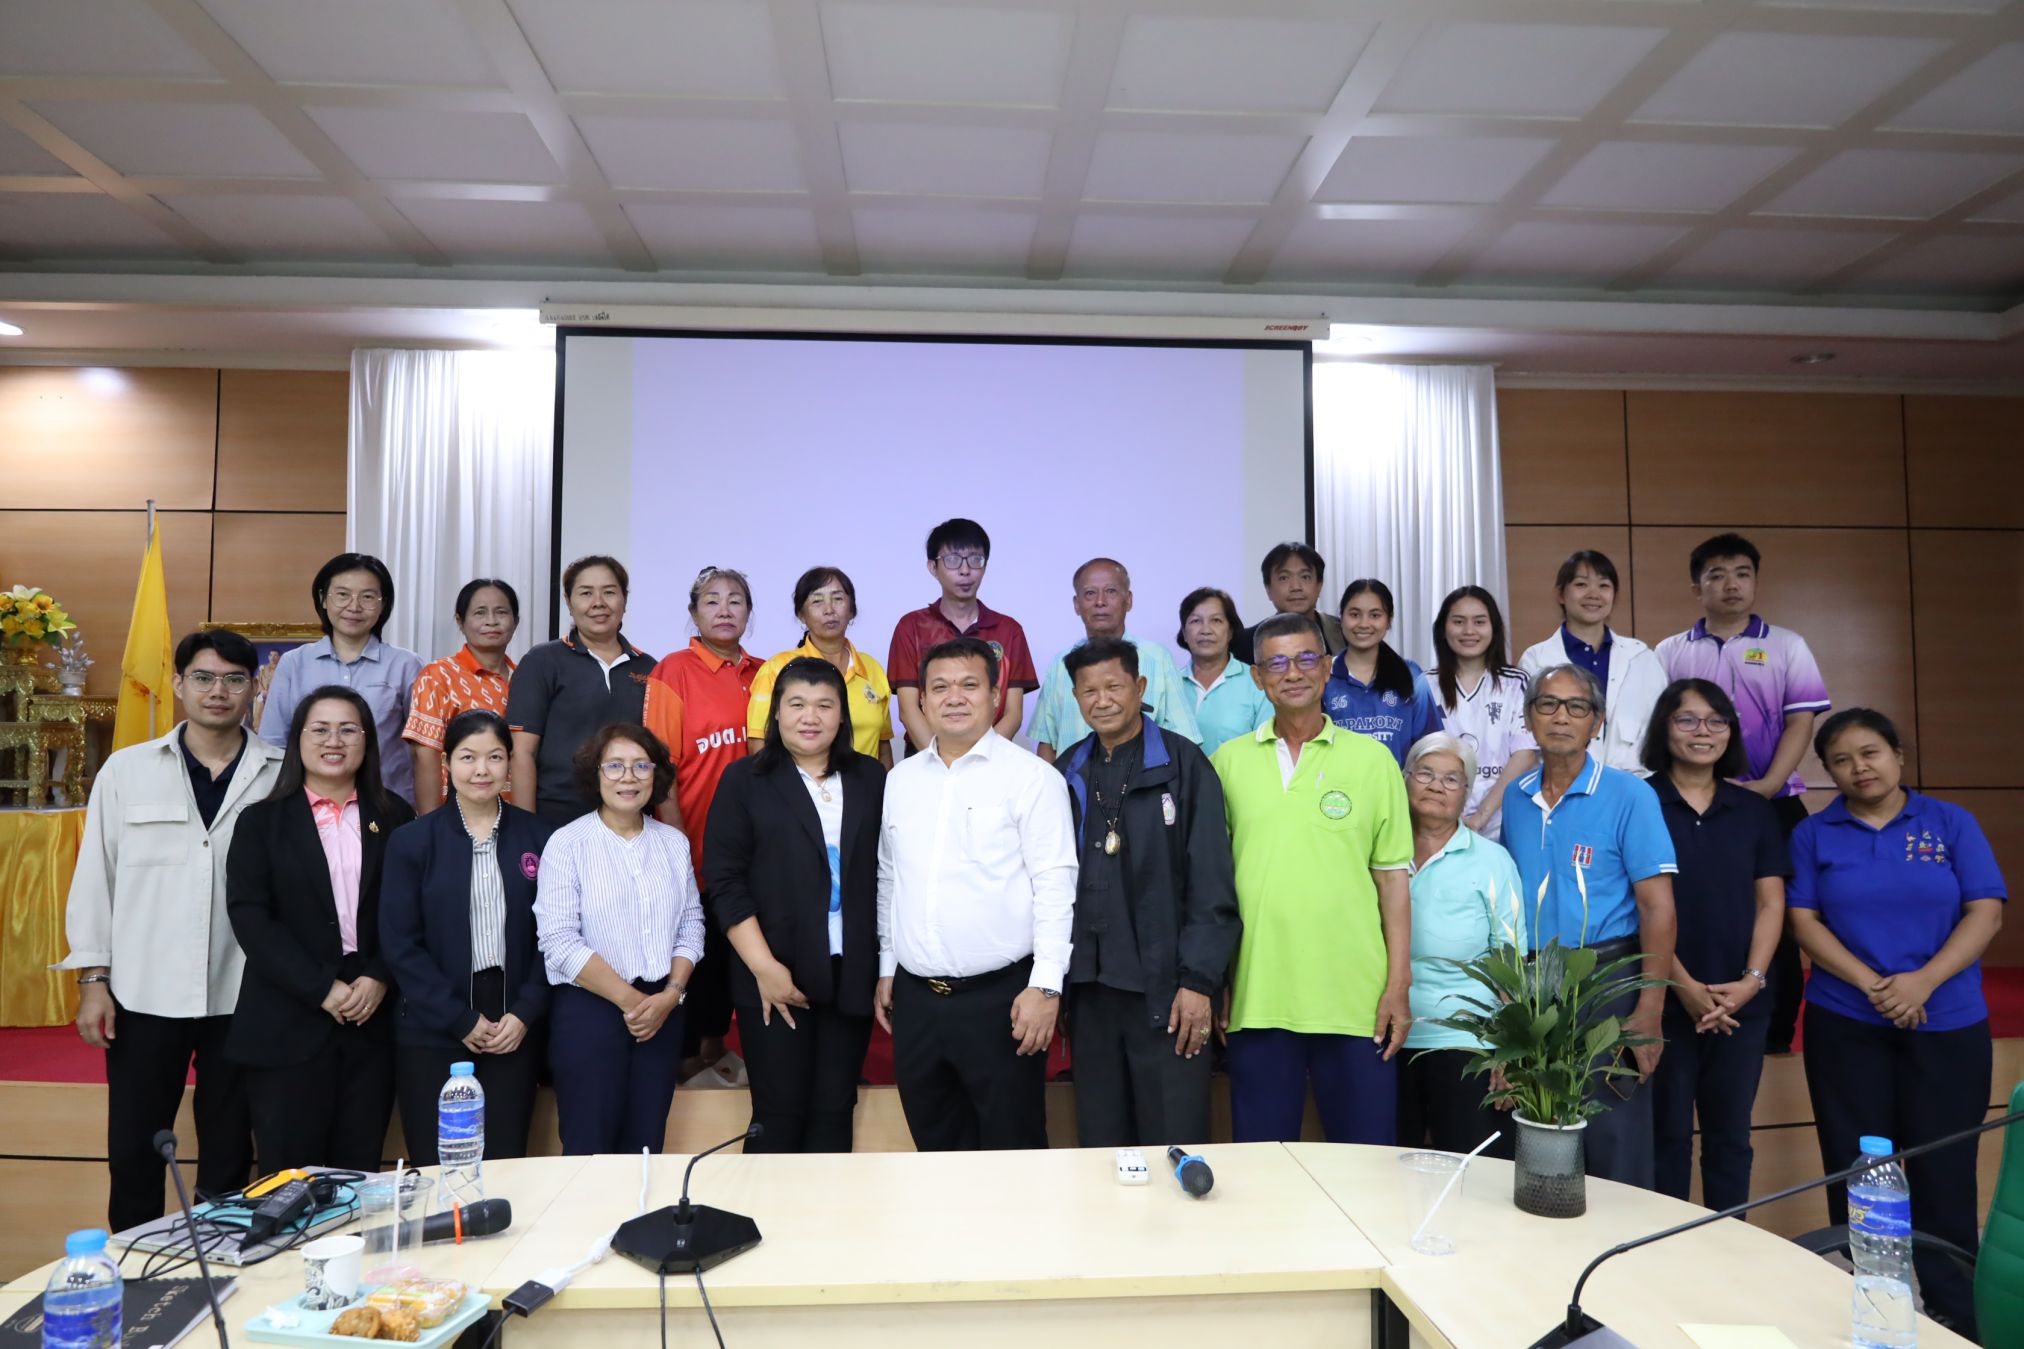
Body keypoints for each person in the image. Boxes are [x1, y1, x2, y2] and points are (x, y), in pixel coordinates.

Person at [1788, 708, 2005, 1335]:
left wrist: (1922, 982)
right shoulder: (1814, 834)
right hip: (1846, 1022)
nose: (1859, 768)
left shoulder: (1950, 822)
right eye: (1842, 760)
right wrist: (1874, 986)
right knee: (1858, 1170)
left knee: (1945, 1172)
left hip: (1948, 1021)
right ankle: (1870, 1309)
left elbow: (1985, 912)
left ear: (1898, 757)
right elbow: (1803, 921)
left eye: (1871, 753)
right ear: (1828, 773)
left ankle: (1955, 1316)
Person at [59, 630, 282, 1233]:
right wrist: (94, 980)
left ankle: (224, 1259)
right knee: (135, 1145)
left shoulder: (280, 773)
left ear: (254, 689)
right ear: (179, 684)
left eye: (234, 679)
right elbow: (96, 877)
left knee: (230, 1146)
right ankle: (135, 1264)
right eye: (203, 678)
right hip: (145, 988)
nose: (218, 691)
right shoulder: (127, 770)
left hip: (244, 990)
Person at [1211, 613, 1413, 1145]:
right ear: (1257, 677)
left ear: (1327, 668)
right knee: (1263, 1165)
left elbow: (1393, 882)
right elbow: (1213, 888)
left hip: (1356, 1001)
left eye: (1306, 659)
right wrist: (1218, 981)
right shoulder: (1227, 763)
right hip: (1258, 997)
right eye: (1277, 663)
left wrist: (1398, 984)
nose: (1293, 673)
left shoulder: (1374, 761)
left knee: (1366, 1164)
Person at [875, 637, 1077, 1151]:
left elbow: (1056, 888)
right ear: (921, 700)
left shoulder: (1033, 778)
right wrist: (887, 965)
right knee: (936, 1150)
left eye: (970, 685)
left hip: (1003, 1001)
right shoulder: (900, 781)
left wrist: (1046, 987)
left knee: (1013, 1153)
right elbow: (890, 878)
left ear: (996, 695)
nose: (955, 697)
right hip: (917, 1000)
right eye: (940, 687)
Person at [1054, 637, 1241, 1148]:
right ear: (1075, 698)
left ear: (1139, 687)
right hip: (1090, 992)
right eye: (1089, 691)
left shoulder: (1184, 766)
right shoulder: (1067, 771)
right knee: (1102, 1143)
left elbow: (1212, 883)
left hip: (1168, 991)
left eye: (1114, 686)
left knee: (1172, 1140)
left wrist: (1199, 982)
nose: (1102, 700)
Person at [1654, 533, 1832, 1056]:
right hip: (1690, 802)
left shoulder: (1788, 645)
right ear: (1697, 587)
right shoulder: (1669, 651)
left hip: (1773, 803)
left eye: (1742, 573)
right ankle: (1694, 1007)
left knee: (1781, 916)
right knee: (1694, 908)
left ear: (1755, 581)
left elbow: (1802, 721)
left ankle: (1775, 1035)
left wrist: (1767, 786)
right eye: (1716, 575)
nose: (1730, 584)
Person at [1502, 665, 1677, 1189]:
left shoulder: (1629, 795)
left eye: (1577, 707)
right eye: (1548, 704)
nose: (1561, 717)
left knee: (1613, 1131)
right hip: (1537, 982)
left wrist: (1650, 1009)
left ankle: (1626, 1240)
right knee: (1540, 1119)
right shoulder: (1516, 796)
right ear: (1528, 717)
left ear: (1597, 722)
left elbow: (1658, 909)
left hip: (1608, 978)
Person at [226, 686, 415, 1173]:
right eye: (321, 729)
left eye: (349, 729)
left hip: (371, 1020)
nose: (335, 740)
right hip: (288, 1019)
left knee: (358, 1176)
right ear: (298, 739)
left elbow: (410, 911)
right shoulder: (261, 821)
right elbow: (250, 918)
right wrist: (320, 988)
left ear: (368, 741)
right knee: (289, 1181)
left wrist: (380, 975)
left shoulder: (395, 817)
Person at [703, 658, 885, 1152]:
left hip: (849, 974)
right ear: (776, 713)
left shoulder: (871, 778)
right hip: (772, 974)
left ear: (842, 715)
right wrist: (765, 968)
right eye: (797, 704)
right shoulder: (745, 779)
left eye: (825, 705)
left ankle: (826, 1206)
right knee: (778, 1114)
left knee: (834, 1111)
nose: (810, 717)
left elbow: (886, 874)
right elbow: (725, 881)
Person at [379, 710, 554, 1165]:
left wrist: (525, 1012)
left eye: (494, 757)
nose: (482, 770)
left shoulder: (540, 837)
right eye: (468, 757)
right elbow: (400, 943)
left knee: (505, 1163)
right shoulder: (412, 841)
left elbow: (554, 937)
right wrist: (458, 1019)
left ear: (510, 763)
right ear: (446, 764)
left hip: (513, 1023)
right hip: (433, 1023)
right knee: (437, 1165)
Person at [1640, 680, 1788, 1213]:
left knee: (1731, 1138)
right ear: (1664, 728)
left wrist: (1750, 983)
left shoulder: (1753, 809)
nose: (1703, 732)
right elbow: (1637, 906)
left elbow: (1771, 903)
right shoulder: (1640, 802)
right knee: (1666, 1137)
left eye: (1716, 720)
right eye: (1687, 719)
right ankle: (1665, 1250)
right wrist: (1683, 986)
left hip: (1740, 1004)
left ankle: (1731, 1244)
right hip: (1663, 1000)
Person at [534, 724, 705, 1156]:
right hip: (591, 1011)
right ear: (595, 774)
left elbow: (691, 923)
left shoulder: (673, 844)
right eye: (614, 766)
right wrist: (633, 1003)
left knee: (646, 1146)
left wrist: (670, 995)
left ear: (656, 775)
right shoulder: (567, 843)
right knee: (589, 1147)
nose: (628, 777)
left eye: (640, 766)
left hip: (663, 1011)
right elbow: (558, 940)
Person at [642, 566, 763, 1088]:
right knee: (699, 948)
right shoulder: (674, 670)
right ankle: (689, 1059)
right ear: (693, 613)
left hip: (755, 845)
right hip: (694, 837)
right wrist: (675, 844)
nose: (724, 610)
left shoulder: (766, 674)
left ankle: (718, 1051)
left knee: (740, 948)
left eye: (735, 600)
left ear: (749, 612)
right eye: (712, 601)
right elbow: (661, 766)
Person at [1396, 732, 1525, 1158]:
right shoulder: (1380, 852)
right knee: (1385, 1172)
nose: (1436, 786)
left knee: (1475, 1172)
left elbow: (1510, 963)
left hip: (1469, 1044)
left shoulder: (1491, 860)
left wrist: (1510, 1049)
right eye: (1425, 774)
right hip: (1388, 1037)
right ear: (1404, 779)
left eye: (1451, 779)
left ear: (1467, 793)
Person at [259, 553, 423, 806]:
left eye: (367, 597)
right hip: (309, 808)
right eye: (343, 594)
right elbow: (273, 744)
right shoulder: (294, 663)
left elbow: (424, 750)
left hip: (388, 807)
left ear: (383, 604)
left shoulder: (406, 665)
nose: (354, 606)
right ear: (323, 599)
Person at [507, 555, 657, 824]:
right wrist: (526, 830)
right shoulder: (542, 661)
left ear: (624, 599)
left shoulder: (649, 668)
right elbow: (521, 753)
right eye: (586, 593)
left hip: (631, 821)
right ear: (568, 601)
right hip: (556, 820)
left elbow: (659, 754)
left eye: (609, 592)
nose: (598, 602)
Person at [888, 518, 1040, 751]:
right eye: (953, 560)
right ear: (933, 567)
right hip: (926, 755)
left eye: (975, 560)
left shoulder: (1009, 630)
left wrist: (979, 759)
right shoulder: (911, 627)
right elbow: (909, 710)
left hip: (991, 759)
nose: (965, 570)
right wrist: (940, 759)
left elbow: (1013, 713)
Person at [1029, 558, 1200, 761]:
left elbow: (1184, 739)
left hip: (1144, 779)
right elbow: (1047, 743)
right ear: (1077, 604)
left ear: (1128, 600)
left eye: (1111, 591)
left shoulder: (1157, 658)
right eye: (1090, 593)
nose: (1100, 601)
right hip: (1074, 780)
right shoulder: (1061, 664)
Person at [1518, 550, 1667, 776]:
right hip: (1561, 783)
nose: (1594, 594)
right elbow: (1528, 733)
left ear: (1614, 596)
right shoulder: (1536, 659)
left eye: (1604, 586)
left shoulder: (1641, 657)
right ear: (1560, 594)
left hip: (1634, 783)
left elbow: (1660, 726)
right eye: (1581, 584)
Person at [748, 566, 894, 769]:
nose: (829, 610)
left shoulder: (872, 668)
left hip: (863, 786)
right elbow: (759, 742)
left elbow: (883, 746)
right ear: (801, 615)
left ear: (852, 610)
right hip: (796, 787)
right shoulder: (777, 668)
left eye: (838, 599)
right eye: (817, 601)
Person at [404, 578, 520, 815]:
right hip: (457, 814)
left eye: (501, 612)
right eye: (480, 612)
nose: (491, 621)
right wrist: (431, 826)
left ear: (515, 621)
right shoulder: (438, 676)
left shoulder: (525, 678)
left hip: (516, 814)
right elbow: (426, 757)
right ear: (460, 621)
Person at [1429, 585, 1536, 841]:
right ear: (1443, 628)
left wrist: (1481, 816)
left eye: (1479, 622)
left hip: (1505, 821)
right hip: (1441, 822)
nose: (1469, 631)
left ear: (1494, 628)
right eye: (1458, 622)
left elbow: (1525, 754)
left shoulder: (1516, 682)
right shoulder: (1425, 685)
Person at [1321, 579, 1444, 767]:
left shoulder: (1411, 674)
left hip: (1397, 785)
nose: (1364, 624)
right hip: (1337, 785)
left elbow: (1431, 745)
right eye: (1354, 614)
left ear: (1389, 620)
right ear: (1341, 618)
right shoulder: (1324, 675)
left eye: (1375, 615)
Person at [1177, 587, 1271, 757]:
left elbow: (1268, 748)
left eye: (1216, 620)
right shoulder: (1171, 683)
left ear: (1230, 632)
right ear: (1184, 633)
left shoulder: (1256, 682)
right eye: (1195, 621)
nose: (1206, 630)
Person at [1230, 542, 1346, 664]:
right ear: (1268, 589)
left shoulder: (1343, 632)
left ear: (1319, 586)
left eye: (1305, 577)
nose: (1296, 587)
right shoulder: (1245, 643)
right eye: (1284, 578)